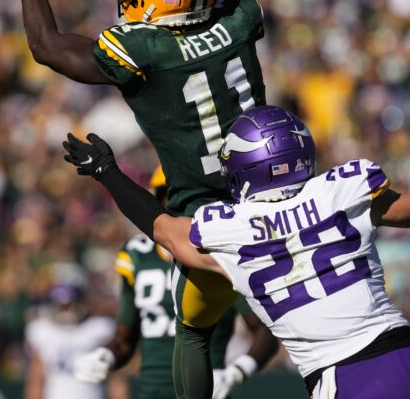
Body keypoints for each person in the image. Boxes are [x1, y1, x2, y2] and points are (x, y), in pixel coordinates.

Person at [1, 0, 268, 398]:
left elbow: (47, 47)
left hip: (204, 216)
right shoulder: (241, 15)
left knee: (191, 333)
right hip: (272, 193)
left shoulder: (147, 53)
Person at [61, 105, 410, 398]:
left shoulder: (229, 230)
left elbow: (163, 229)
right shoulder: (342, 191)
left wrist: (107, 172)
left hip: (343, 378)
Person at [72, 168, 279, 399]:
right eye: (171, 195)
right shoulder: (138, 255)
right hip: (152, 393)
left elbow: (266, 330)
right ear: (158, 198)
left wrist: (237, 371)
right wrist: (107, 355)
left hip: (205, 391)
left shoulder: (220, 254)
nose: (180, 204)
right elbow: (124, 340)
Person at [24, 273, 115, 399]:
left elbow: (115, 379)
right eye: (62, 305)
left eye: (68, 304)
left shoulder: (99, 329)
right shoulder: (42, 331)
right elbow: (37, 378)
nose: (66, 310)